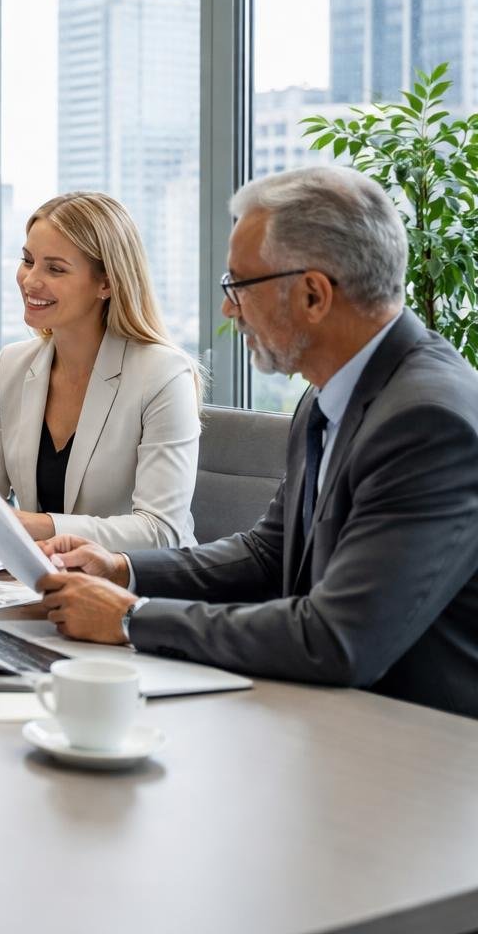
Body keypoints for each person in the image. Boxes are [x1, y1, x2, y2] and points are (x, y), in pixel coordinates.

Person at [37, 165, 478, 720]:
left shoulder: (427, 422)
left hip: (418, 748)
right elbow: (270, 553)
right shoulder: (330, 395)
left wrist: (131, 617)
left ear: (314, 294)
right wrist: (123, 568)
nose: (228, 308)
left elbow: (338, 639)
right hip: (328, 720)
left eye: (239, 285)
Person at [0, 192, 201, 552]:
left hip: (137, 591)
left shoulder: (163, 375)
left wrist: (33, 526)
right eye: (27, 261)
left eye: (55, 269)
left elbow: (160, 531)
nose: (30, 281)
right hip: (36, 582)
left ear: (106, 283)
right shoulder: (12, 364)